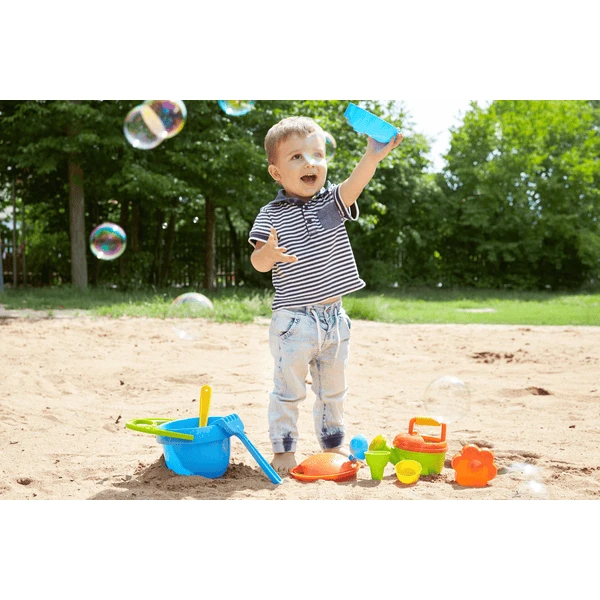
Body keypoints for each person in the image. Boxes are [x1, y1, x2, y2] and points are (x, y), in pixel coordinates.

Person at [248, 115, 403, 475]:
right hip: (294, 322)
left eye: (317, 155)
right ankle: (284, 449)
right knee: (288, 390)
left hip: (334, 319)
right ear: (276, 172)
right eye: (297, 157)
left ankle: (333, 445)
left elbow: (354, 184)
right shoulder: (270, 215)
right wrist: (267, 254)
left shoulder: (331, 204)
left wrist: (372, 156)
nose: (310, 163)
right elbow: (257, 261)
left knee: (333, 391)